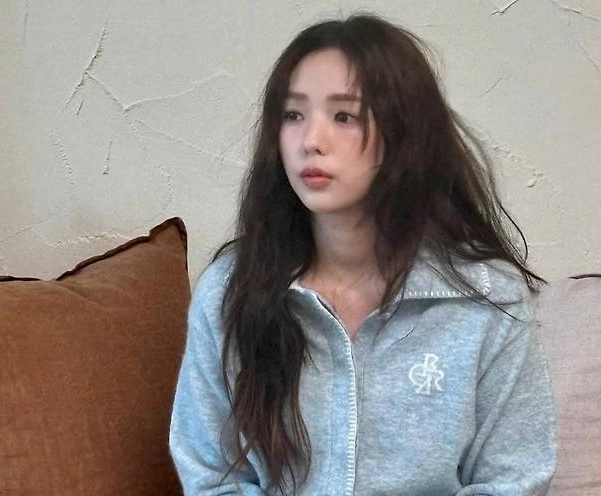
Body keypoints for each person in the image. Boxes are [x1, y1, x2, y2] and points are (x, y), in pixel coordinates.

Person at [169, 12, 557, 496]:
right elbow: (211, 477)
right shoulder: (230, 291)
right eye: (292, 115)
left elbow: (514, 480)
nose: (311, 141)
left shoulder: (488, 299)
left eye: (344, 116)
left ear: (404, 133)